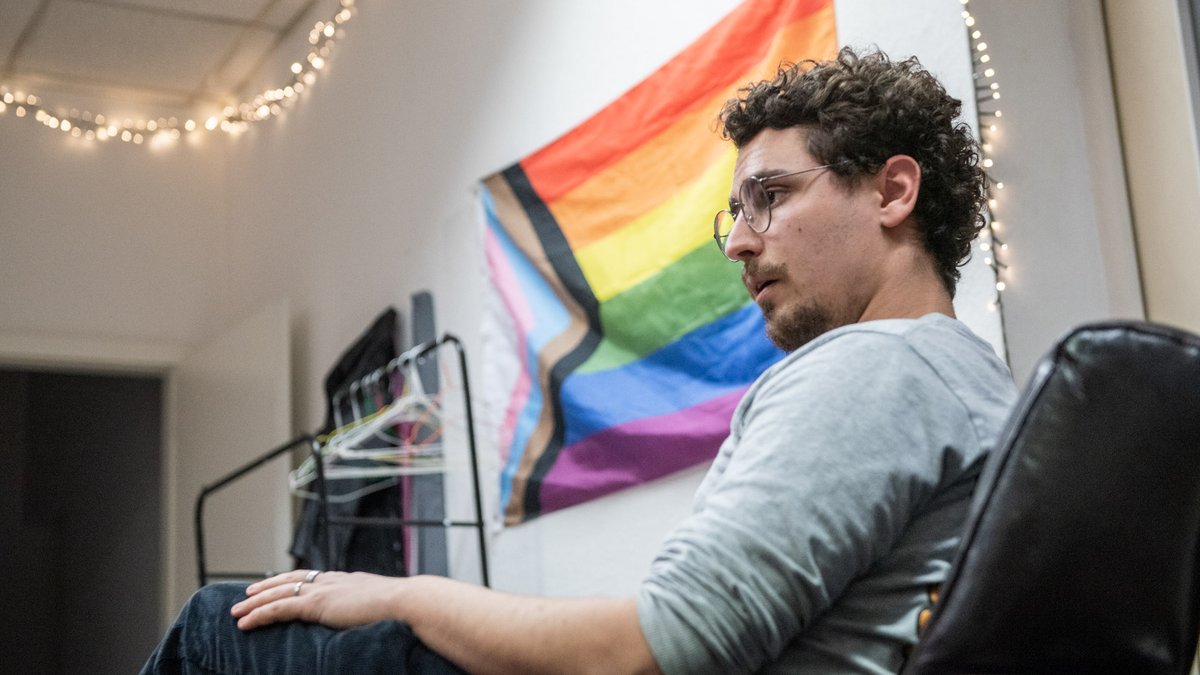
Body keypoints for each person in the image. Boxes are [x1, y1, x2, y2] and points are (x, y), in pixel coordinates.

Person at [141, 47, 1017, 675]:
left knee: (223, 624)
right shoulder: (972, 385)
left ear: (894, 191)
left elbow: (649, 650)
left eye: (771, 198)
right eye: (734, 213)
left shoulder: (874, 370)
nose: (740, 243)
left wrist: (398, 593)